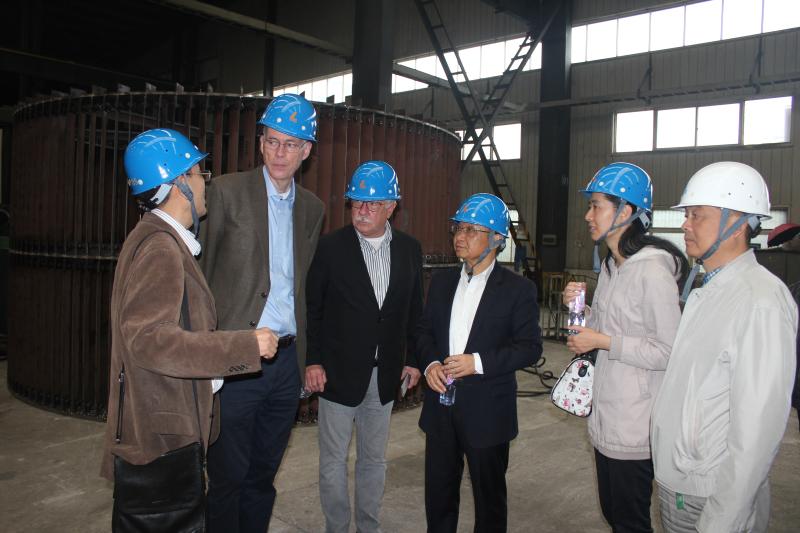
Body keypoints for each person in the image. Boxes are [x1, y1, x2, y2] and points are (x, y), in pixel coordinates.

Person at [101, 129, 278, 523]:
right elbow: (150, 341)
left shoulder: (156, 238)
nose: (204, 184)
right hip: (162, 440)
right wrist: (244, 345)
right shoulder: (160, 248)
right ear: (179, 182)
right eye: (200, 175)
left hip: (164, 431)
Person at [199, 94, 326, 532]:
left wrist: (308, 358)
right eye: (272, 141)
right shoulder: (225, 192)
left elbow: (303, 288)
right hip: (237, 358)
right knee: (227, 477)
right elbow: (199, 273)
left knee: (262, 476)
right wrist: (203, 349)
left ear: (306, 151)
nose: (279, 153)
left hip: (286, 362)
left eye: (291, 144)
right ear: (260, 143)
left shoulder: (312, 209)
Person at [651, 162, 798, 533]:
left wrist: (722, 518)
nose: (685, 225)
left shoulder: (760, 299)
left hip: (711, 496)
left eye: (696, 215)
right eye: (686, 215)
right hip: (680, 481)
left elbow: (759, 431)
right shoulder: (709, 289)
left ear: (738, 222)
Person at [562, 162, 687, 533]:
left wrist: (602, 341)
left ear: (625, 212)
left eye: (596, 206)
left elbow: (669, 350)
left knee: (630, 522)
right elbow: (603, 331)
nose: (588, 216)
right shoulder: (611, 266)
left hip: (635, 424)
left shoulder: (652, 271)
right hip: (606, 416)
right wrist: (580, 312)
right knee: (614, 515)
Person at [304, 160, 423, 533]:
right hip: (337, 374)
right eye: (357, 202)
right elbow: (313, 309)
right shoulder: (330, 248)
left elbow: (414, 312)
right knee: (333, 460)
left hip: (385, 375)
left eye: (372, 204)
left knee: (374, 460)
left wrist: (414, 360)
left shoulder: (409, 250)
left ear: (391, 207)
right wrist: (312, 361)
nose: (362, 210)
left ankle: (368, 527)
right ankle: (337, 527)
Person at [417, 193, 542, 533]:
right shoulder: (442, 282)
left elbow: (530, 348)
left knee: (489, 504)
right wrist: (430, 365)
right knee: (439, 498)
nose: (460, 236)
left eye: (472, 230)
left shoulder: (518, 290)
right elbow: (424, 331)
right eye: (458, 228)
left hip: (488, 413)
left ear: (497, 239)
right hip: (441, 411)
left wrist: (478, 362)